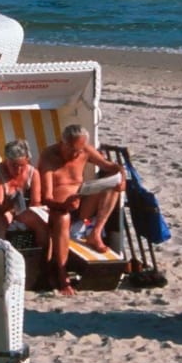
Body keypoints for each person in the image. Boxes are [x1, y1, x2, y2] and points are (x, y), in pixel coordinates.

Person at [37, 124, 124, 297]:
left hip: (82, 204)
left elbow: (109, 166)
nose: (76, 154)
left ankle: (96, 232)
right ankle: (62, 274)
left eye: (79, 150)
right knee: (62, 218)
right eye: (72, 149)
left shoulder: (85, 150)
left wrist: (122, 175)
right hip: (58, 209)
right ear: (63, 142)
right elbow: (45, 197)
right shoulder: (49, 157)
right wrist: (64, 205)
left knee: (112, 185)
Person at [0, 139, 49, 254]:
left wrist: (23, 210)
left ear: (27, 161)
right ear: (6, 161)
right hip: (2, 209)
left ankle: (42, 262)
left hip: (23, 210)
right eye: (14, 166)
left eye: (22, 166)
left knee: (41, 225)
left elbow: (36, 201)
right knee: (0, 223)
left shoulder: (33, 172)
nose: (18, 170)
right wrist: (10, 207)